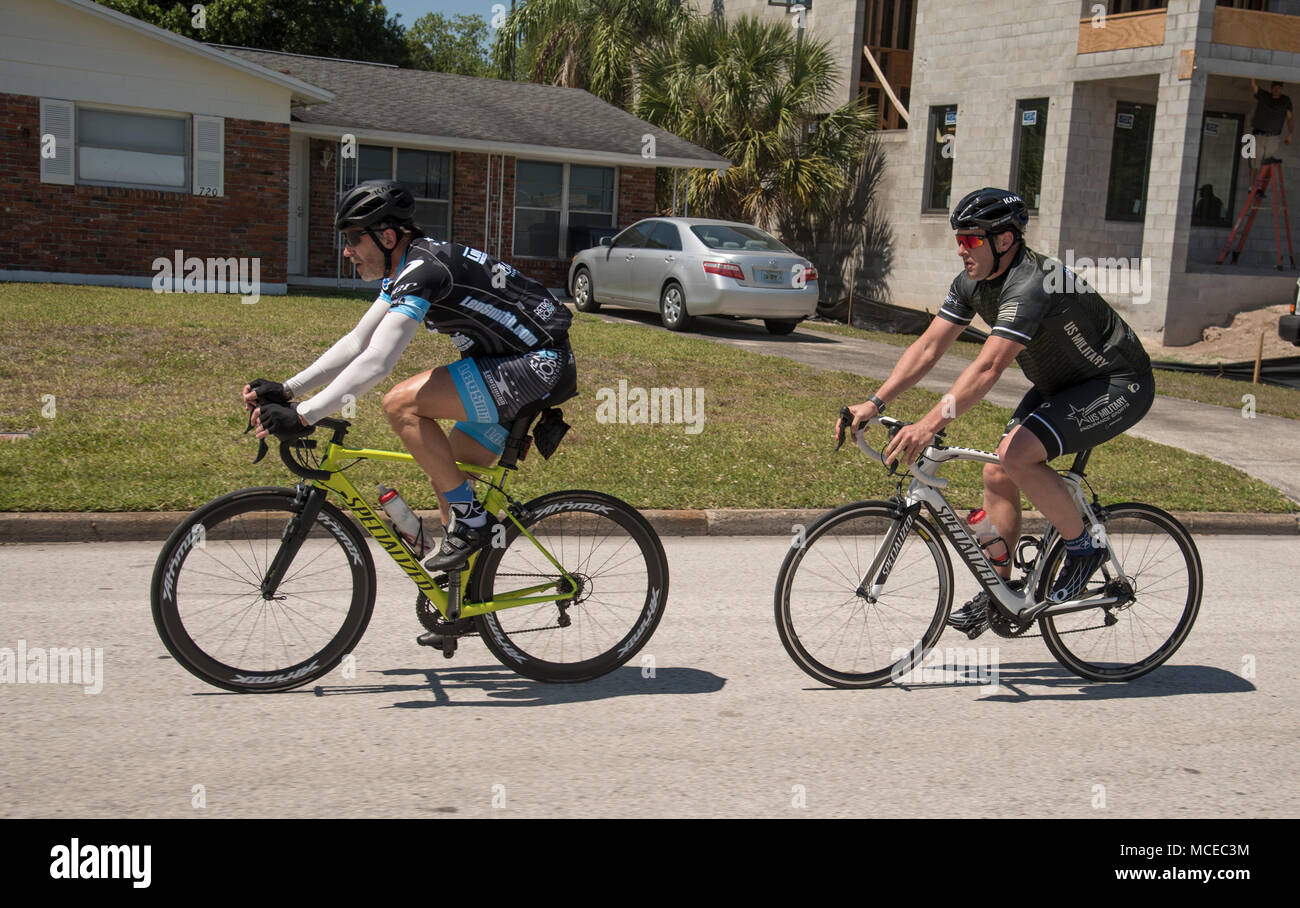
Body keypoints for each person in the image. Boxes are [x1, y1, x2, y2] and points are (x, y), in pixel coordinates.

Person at [838, 188, 1155, 639]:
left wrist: (929, 425)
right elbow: (928, 347)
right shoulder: (972, 282)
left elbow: (988, 367)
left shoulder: (1032, 282)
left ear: (1004, 240)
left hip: (1119, 382)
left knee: (1017, 454)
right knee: (997, 474)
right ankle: (1000, 595)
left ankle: (1085, 548)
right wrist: (875, 403)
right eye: (958, 241)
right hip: (1059, 385)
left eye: (971, 240)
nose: (962, 250)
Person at [244, 179, 575, 572]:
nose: (347, 251)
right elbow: (357, 343)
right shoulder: (406, 268)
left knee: (400, 403)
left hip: (537, 364)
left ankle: (474, 523)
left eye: (353, 239)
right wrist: (287, 389)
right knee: (449, 479)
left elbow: (378, 362)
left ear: (386, 236)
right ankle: (462, 609)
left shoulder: (424, 271)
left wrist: (303, 416)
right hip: (513, 365)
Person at [1248, 78, 1293, 179]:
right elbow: (1254, 86)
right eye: (1275, 88)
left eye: (1279, 88)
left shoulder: (1285, 100)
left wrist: (1290, 133)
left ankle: (1259, 187)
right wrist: (1252, 71)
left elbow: (1290, 118)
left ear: (1282, 89)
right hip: (1258, 135)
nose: (1277, 90)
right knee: (1254, 162)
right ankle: (1252, 187)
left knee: (1267, 164)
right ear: (1271, 89)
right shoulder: (1264, 96)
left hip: (1273, 137)